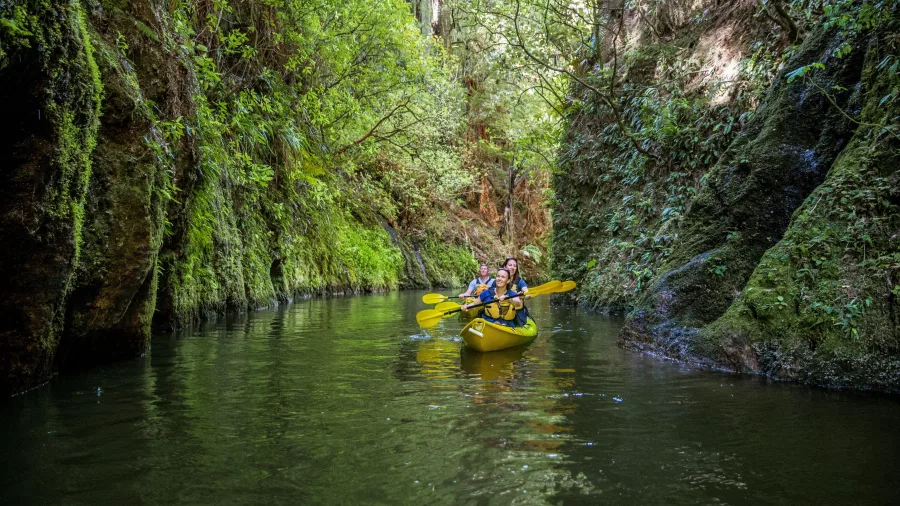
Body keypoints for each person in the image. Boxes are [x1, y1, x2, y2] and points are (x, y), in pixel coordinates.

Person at [461, 268, 528, 328]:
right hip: (488, 324)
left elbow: (518, 303)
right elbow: (474, 304)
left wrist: (508, 299)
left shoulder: (511, 294)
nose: (499, 279)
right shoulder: (486, 293)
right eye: (498, 276)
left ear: (508, 281)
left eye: (503, 277)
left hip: (506, 325)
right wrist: (466, 306)